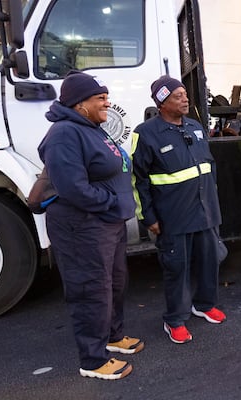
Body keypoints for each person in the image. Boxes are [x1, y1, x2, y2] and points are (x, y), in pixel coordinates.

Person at [38, 71, 143, 380]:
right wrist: (111, 202)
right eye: (100, 98)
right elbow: (73, 188)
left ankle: (113, 336)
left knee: (114, 284)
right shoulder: (64, 134)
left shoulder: (92, 128)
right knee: (90, 290)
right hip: (83, 225)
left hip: (107, 223)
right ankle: (93, 360)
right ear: (79, 104)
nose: (107, 102)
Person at [132, 76, 226, 345]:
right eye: (177, 96)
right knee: (177, 269)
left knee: (210, 263)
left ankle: (205, 304)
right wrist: (147, 217)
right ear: (161, 102)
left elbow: (208, 166)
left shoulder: (196, 127)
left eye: (185, 94)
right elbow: (138, 179)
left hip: (205, 212)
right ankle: (175, 319)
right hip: (173, 218)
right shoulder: (146, 133)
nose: (185, 99)